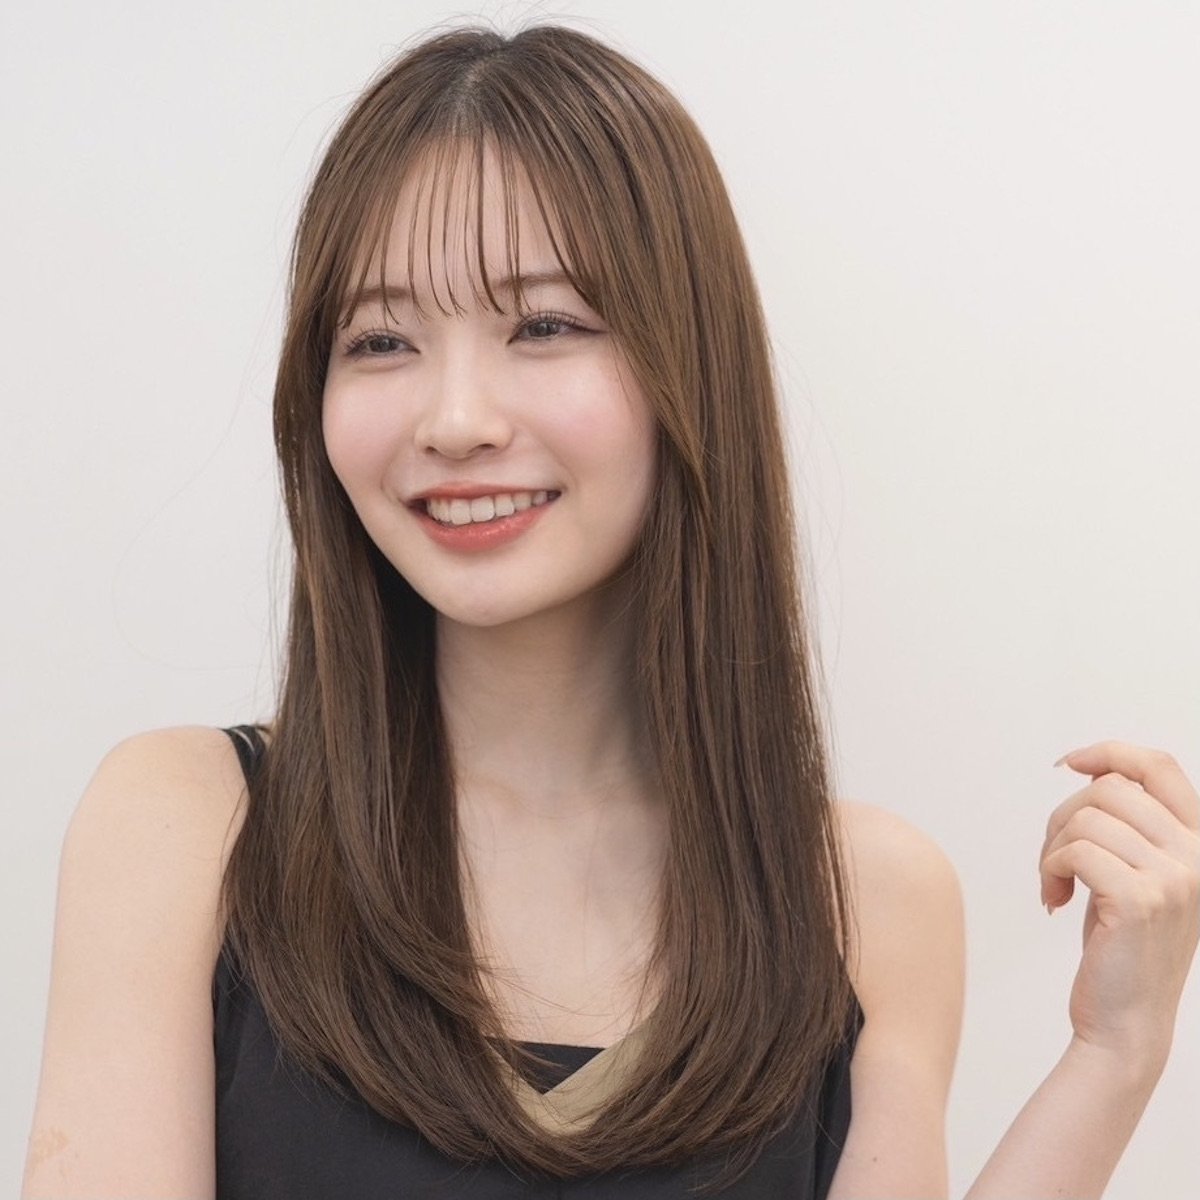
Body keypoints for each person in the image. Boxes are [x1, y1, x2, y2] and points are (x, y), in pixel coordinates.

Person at [21, 21, 1200, 1200]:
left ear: (687, 364)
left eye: (542, 326)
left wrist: (1115, 1056)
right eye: (380, 340)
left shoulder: (863, 902)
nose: (456, 419)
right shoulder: (189, 828)